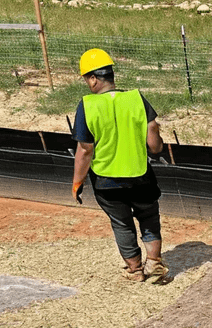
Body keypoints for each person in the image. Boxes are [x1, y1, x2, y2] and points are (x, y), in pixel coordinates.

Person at [71, 48, 170, 285]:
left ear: (93, 79)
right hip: (141, 175)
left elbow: (85, 150)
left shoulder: (87, 106)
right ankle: (154, 262)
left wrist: (77, 182)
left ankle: (135, 270)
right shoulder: (136, 98)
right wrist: (156, 147)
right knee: (149, 217)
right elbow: (153, 135)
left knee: (122, 223)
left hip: (106, 180)